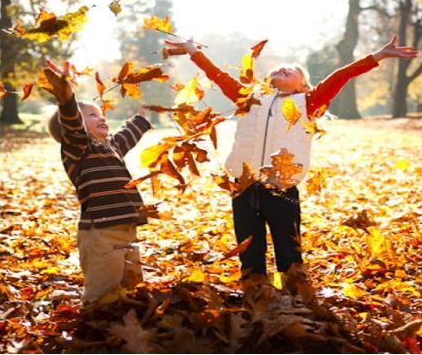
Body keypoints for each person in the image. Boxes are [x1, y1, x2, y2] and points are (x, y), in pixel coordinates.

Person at [164, 35, 418, 289]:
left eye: (294, 70)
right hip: (242, 186)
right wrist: (192, 52)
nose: (284, 68)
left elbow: (341, 76)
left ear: (302, 86)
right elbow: (218, 76)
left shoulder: (306, 103)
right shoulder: (247, 98)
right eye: (279, 67)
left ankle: (294, 290)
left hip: (281, 188)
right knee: (249, 246)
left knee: (288, 246)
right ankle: (254, 288)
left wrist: (377, 56)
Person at [44, 60, 152, 304]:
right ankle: (92, 322)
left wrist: (142, 117)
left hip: (127, 228)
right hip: (101, 233)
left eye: (102, 114)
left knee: (131, 287)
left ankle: (126, 322)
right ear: (76, 127)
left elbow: (127, 135)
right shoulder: (78, 148)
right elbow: (72, 123)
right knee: (103, 289)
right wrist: (66, 99)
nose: (102, 118)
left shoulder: (111, 147)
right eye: (93, 115)